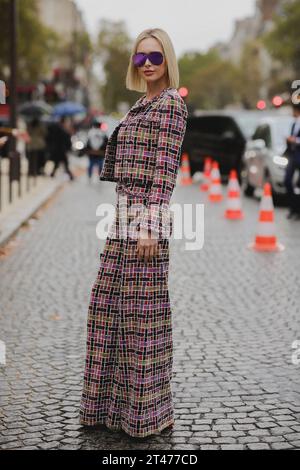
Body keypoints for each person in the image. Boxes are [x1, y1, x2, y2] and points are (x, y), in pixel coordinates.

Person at [79, 28, 188, 438]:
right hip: (122, 218)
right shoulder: (142, 102)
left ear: (167, 61)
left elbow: (164, 174)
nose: (146, 64)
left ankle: (147, 416)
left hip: (144, 225)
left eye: (155, 57)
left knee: (143, 323)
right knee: (106, 310)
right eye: (140, 57)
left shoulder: (171, 106)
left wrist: (149, 228)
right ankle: (106, 408)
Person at [284, 103, 300, 219]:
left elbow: (295, 139)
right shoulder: (294, 123)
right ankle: (293, 208)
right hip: (293, 156)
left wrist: (295, 140)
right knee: (287, 180)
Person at [48, 116, 75, 180]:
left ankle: (53, 174)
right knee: (64, 164)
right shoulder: (63, 131)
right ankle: (71, 176)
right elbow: (67, 141)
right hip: (62, 150)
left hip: (58, 150)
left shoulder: (57, 129)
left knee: (58, 164)